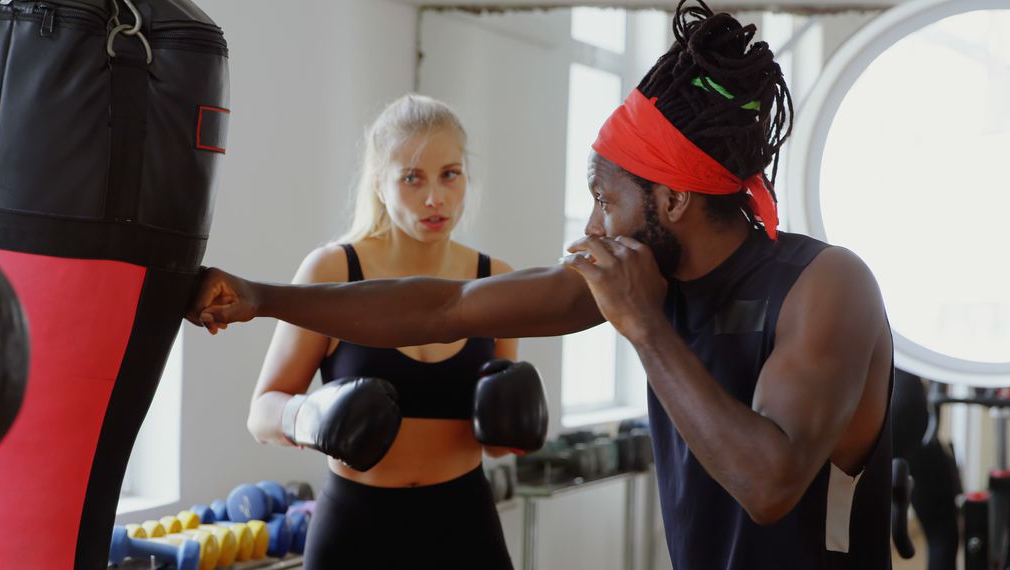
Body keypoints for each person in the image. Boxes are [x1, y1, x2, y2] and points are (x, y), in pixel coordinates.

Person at [190, 2, 892, 568]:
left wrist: (644, 327)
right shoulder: (641, 273)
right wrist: (261, 298)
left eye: (605, 199)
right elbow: (443, 306)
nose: (590, 227)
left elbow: (769, 486)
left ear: (672, 201)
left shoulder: (825, 285)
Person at [243, 94, 541, 570]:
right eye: (411, 178)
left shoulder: (494, 280)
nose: (434, 198)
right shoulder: (334, 271)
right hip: (356, 528)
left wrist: (514, 426)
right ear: (380, 184)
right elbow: (262, 412)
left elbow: (496, 443)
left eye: (450, 174)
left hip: (464, 525)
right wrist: (307, 416)